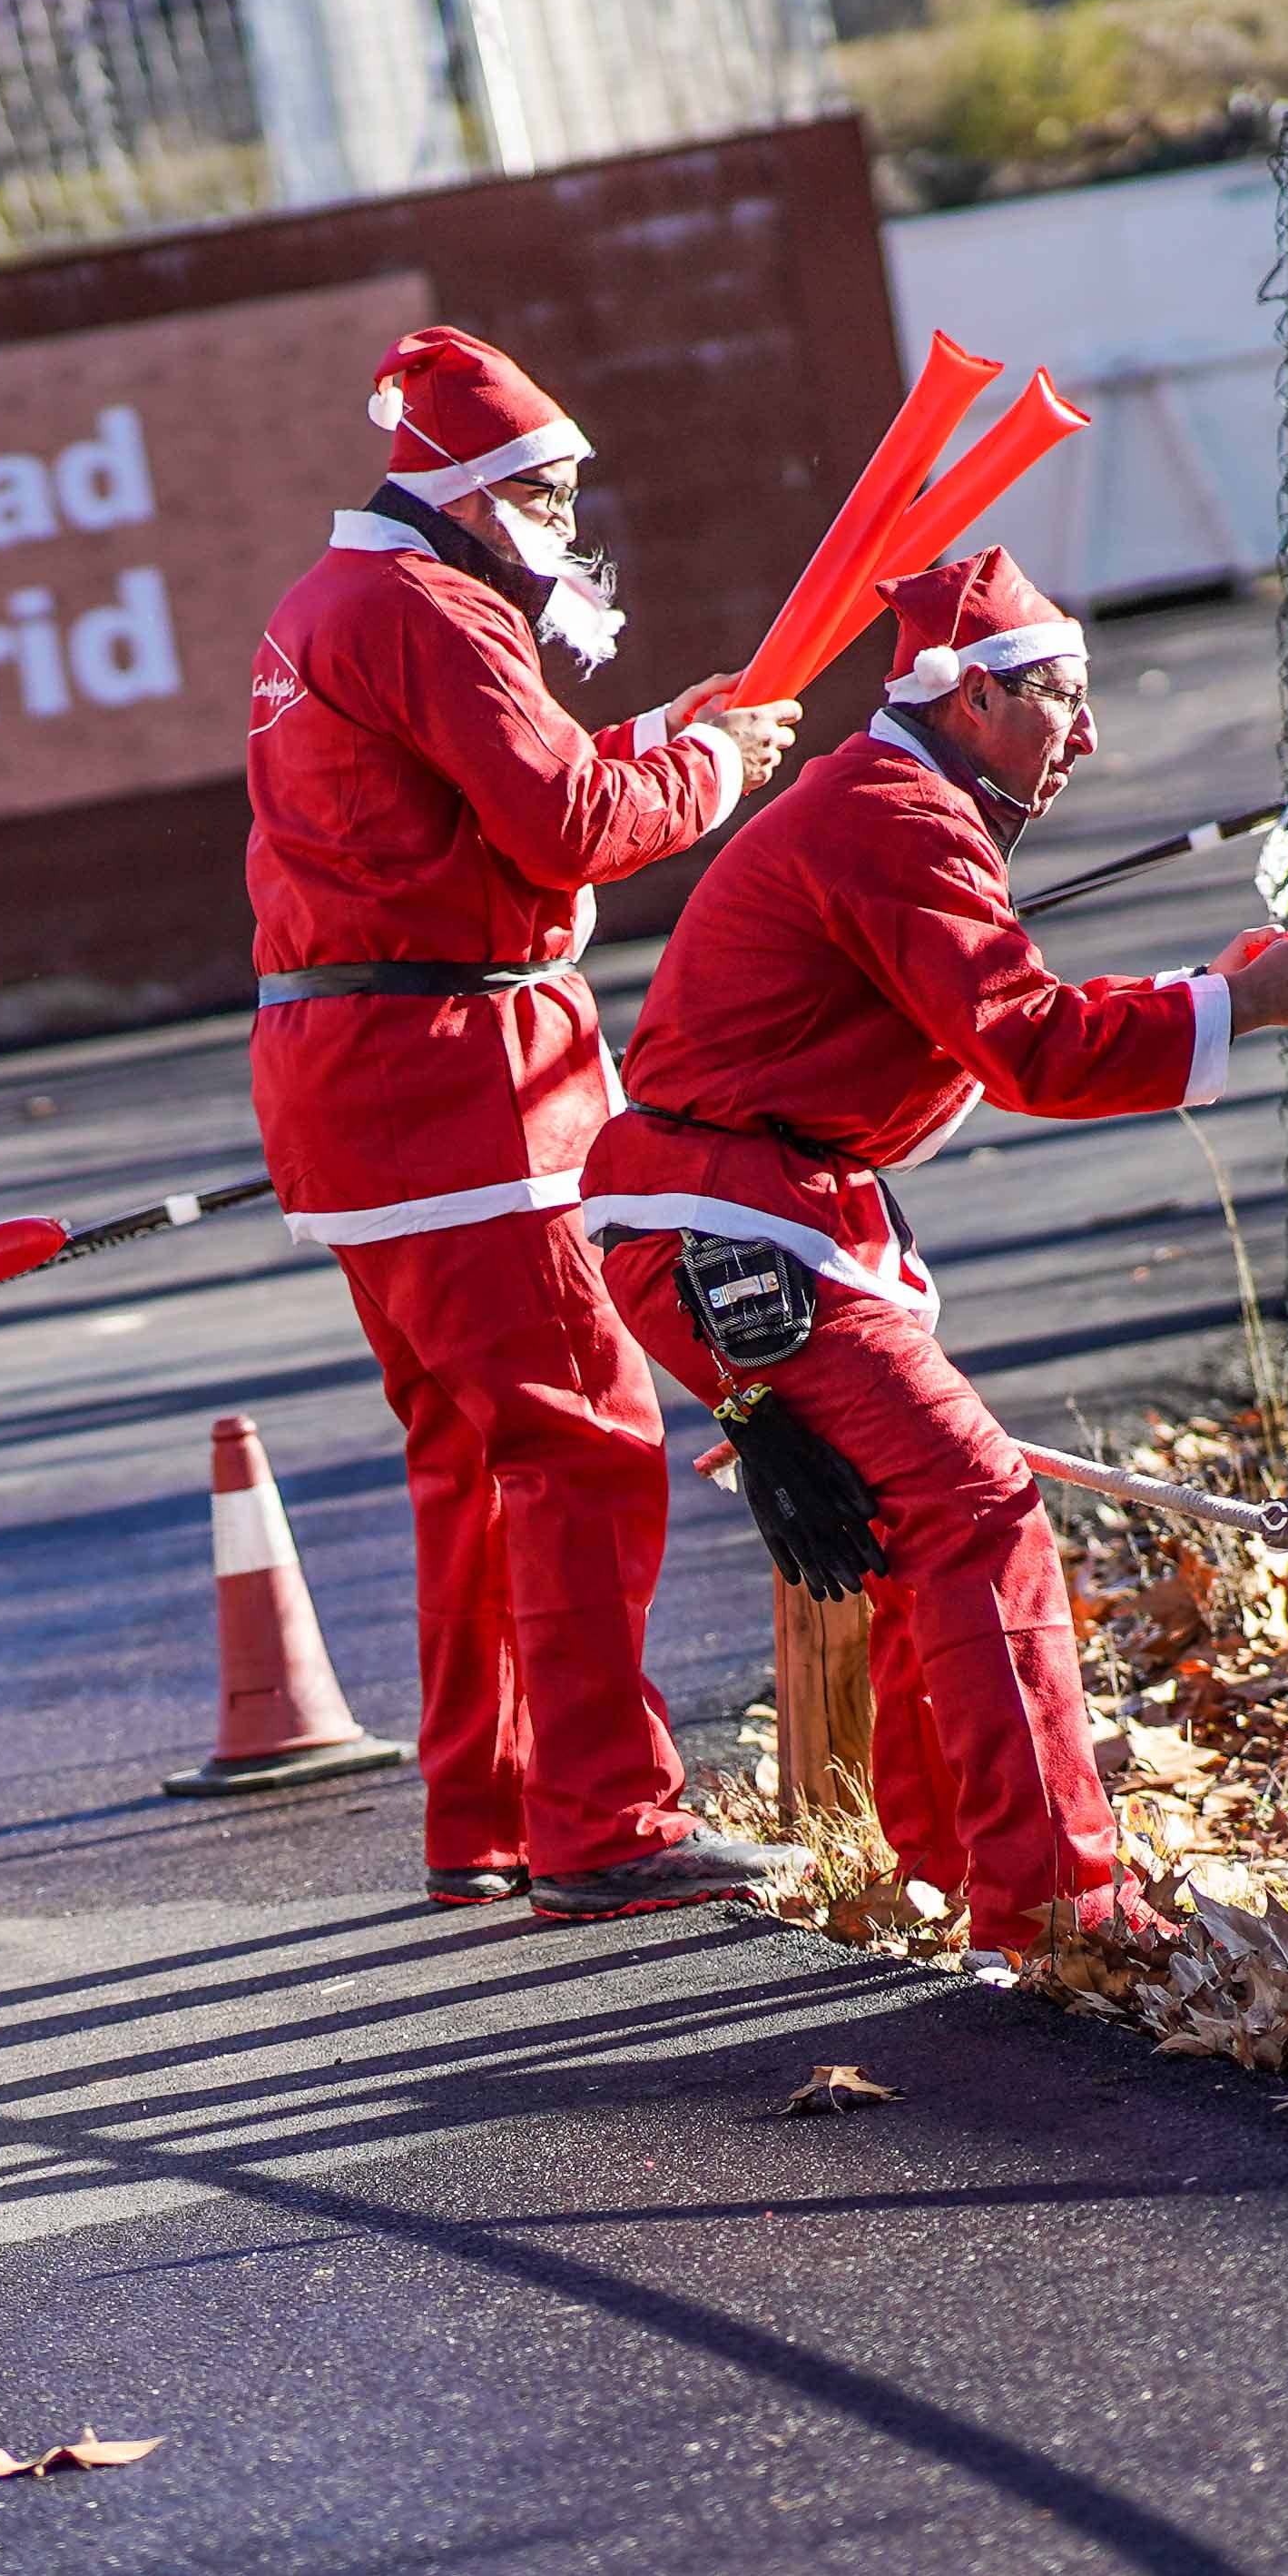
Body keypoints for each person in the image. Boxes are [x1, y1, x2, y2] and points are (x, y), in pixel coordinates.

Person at [584, 549, 1288, 1970]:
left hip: (744, 1212)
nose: (1085, 737)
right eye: (1058, 703)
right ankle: (1060, 1902)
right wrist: (1235, 1007)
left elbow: (1004, 1012)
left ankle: (950, 1864)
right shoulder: (899, 816)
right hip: (732, 1223)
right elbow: (1027, 1048)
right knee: (976, 1504)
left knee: (918, 1527)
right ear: (966, 701)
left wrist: (1214, 991)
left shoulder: (899, 802)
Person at [246, 321, 808, 1920]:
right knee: (582, 1442)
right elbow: (563, 822)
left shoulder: (338, 601)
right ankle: (605, 1823)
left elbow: (475, 813)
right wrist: (705, 768)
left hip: (356, 1080)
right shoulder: (432, 609)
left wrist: (670, 745)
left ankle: (482, 1814)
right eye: (551, 491)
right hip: (464, 1081)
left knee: (468, 1460)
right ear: (472, 489)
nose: (570, 521)